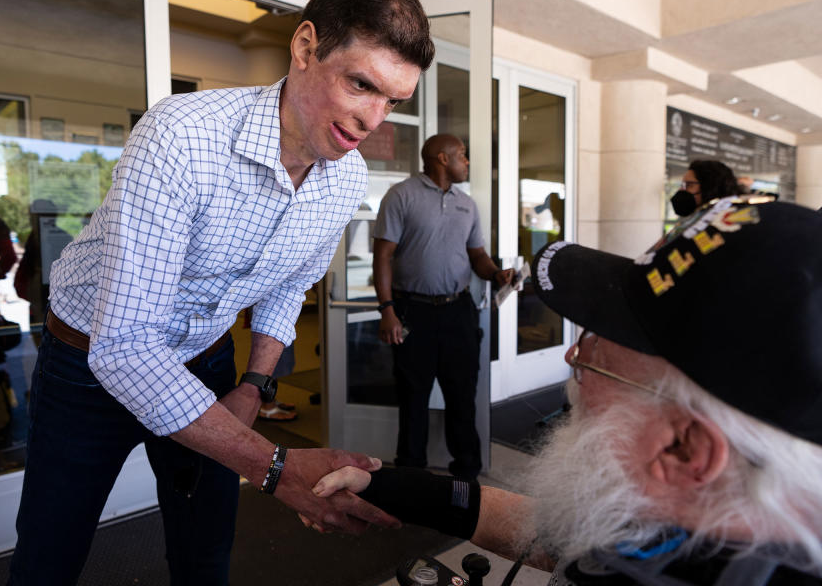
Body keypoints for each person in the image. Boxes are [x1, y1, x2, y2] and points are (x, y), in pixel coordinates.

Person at [8, 0, 434, 585]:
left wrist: (255, 383)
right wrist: (276, 466)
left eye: (392, 101)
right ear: (306, 46)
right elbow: (123, 349)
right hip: (88, 364)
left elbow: (291, 281)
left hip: (205, 359)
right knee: (50, 553)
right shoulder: (180, 136)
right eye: (361, 85)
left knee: (205, 548)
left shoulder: (344, 177)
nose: (374, 121)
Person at [316, 198, 822, 584]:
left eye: (602, 343)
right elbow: (559, 533)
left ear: (684, 448)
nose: (573, 356)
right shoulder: (690, 515)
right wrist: (388, 488)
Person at [372, 134, 513, 480]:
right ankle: (411, 475)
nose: (467, 162)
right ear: (441, 158)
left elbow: (477, 255)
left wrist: (497, 274)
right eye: (462, 155)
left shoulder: (467, 204)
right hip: (412, 312)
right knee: (413, 398)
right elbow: (383, 256)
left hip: (458, 312)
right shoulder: (401, 195)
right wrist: (387, 309)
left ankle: (466, 473)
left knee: (462, 395)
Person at [670, 159, 740, 216]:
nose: (681, 190)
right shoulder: (693, 221)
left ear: (710, 187)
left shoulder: (732, 221)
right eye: (682, 185)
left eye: (689, 185)